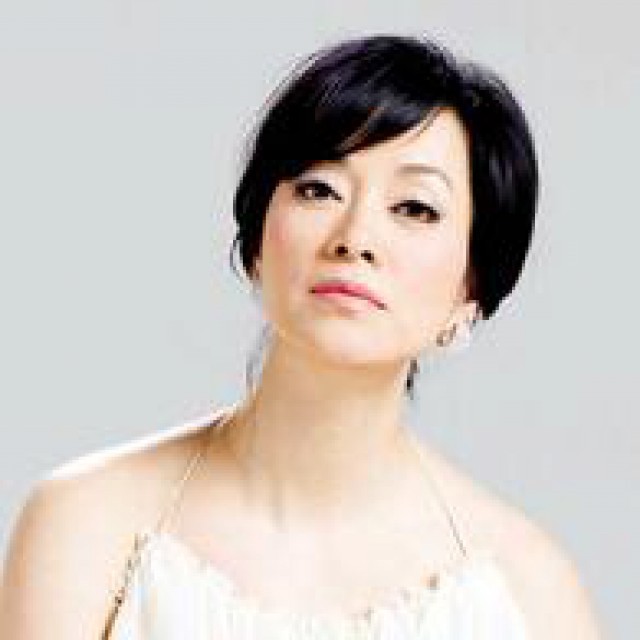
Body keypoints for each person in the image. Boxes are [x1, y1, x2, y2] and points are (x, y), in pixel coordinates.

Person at [0, 33, 604, 639]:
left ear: (471, 288)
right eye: (319, 189)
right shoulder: (89, 524)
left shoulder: (528, 592)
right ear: (258, 241)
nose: (355, 238)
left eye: (414, 208)